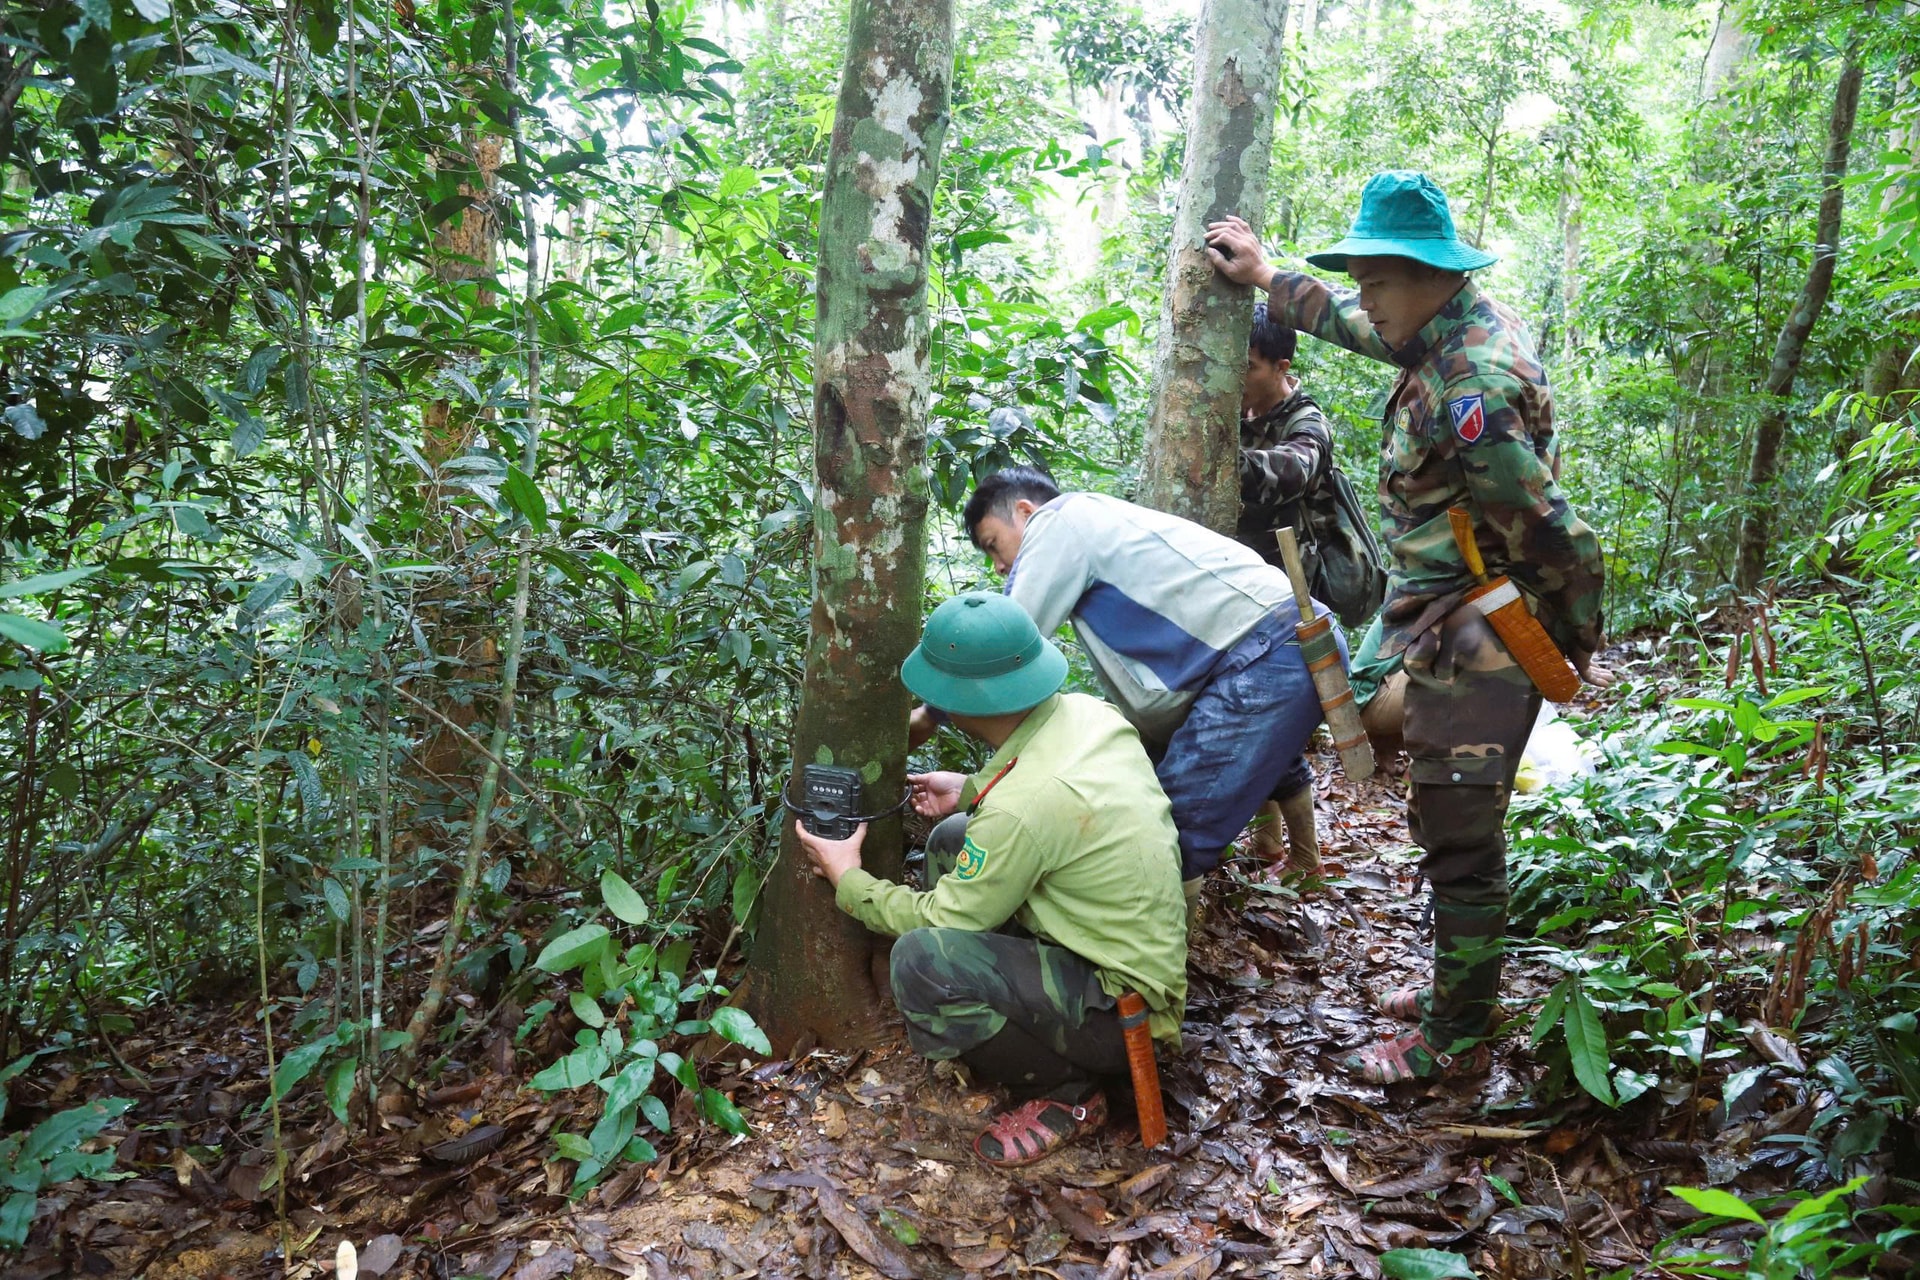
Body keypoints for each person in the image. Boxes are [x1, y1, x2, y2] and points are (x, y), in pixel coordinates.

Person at [1204, 170, 1608, 1084]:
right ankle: (1452, 990)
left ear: (1431, 274)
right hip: (1443, 618)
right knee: (1435, 806)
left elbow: (1550, 534)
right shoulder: (1434, 335)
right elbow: (1352, 324)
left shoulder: (1475, 382)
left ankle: (1458, 1038)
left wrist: (1565, 647)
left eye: (1380, 279)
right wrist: (1270, 277)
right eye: (1364, 278)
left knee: (1462, 834)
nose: (1368, 297)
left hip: (1489, 627)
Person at [795, 591, 1187, 1167]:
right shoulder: (1088, 713)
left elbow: (947, 914)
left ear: (961, 699)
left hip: (1122, 1011)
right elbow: (1053, 796)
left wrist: (848, 876)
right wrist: (973, 790)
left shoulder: (1022, 810)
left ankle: (1068, 1094)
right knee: (954, 835)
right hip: (1124, 950)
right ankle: (1008, 1020)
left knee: (922, 961)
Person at [910, 469, 1341, 901]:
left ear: (1025, 512)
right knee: (1240, 753)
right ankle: (1302, 862)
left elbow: (1007, 642)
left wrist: (931, 713)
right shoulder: (1100, 525)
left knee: (1173, 827)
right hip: (1286, 640)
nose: (998, 564)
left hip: (1271, 649)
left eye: (994, 545)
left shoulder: (1058, 522)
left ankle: (1159, 961)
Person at [1235, 303, 1338, 867]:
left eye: (1248, 366)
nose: (1238, 378)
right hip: (1233, 591)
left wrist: (1221, 459)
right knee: (1245, 713)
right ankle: (1268, 844)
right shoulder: (1233, 410)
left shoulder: (1306, 420)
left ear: (1281, 365)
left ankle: (1305, 859)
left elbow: (1296, 470)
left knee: (1273, 722)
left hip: (1287, 594)